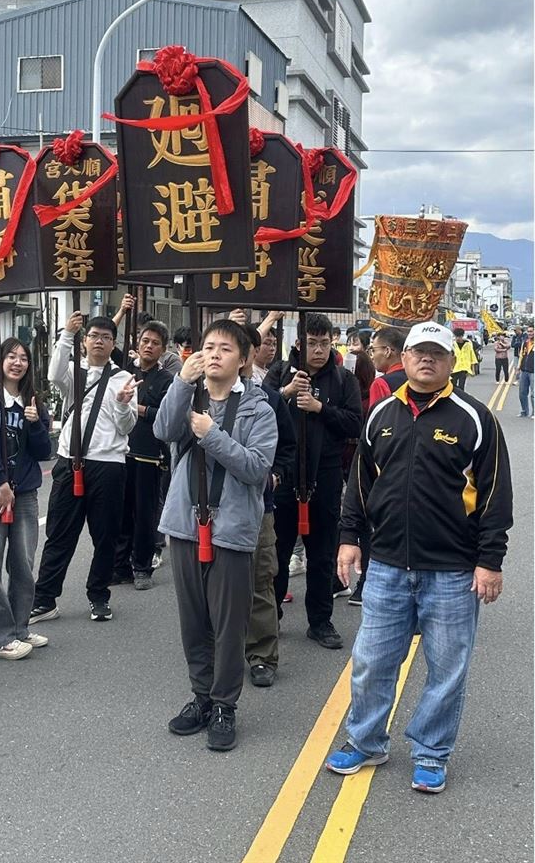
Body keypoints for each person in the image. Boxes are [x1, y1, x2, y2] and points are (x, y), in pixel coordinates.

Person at [326, 321, 513, 795]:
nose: (427, 359)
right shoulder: (381, 413)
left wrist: (490, 561)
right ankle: (366, 741)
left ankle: (431, 752)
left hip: (452, 570)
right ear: (404, 358)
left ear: (451, 361)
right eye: (419, 352)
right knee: (371, 662)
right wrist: (349, 537)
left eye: (437, 353)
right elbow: (360, 483)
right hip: (387, 564)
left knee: (446, 670)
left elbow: (495, 495)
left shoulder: (474, 418)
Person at [155, 319, 277, 751]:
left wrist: (212, 435)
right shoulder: (190, 395)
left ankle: (225, 704)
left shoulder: (259, 409)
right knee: (193, 620)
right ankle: (201, 696)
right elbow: (163, 431)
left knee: (228, 624)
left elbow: (256, 468)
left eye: (225, 348)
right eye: (208, 347)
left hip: (231, 529)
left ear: (243, 360)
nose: (214, 355)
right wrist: (180, 384)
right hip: (185, 525)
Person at [31, 313, 138, 624]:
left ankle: (99, 595)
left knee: (105, 536)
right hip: (69, 461)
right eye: (93, 336)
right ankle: (45, 599)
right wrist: (67, 333)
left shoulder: (123, 379)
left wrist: (122, 403)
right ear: (85, 341)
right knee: (59, 534)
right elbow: (53, 374)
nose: (99, 341)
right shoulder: (73, 373)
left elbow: (127, 426)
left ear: (113, 344)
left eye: (106, 337)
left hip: (109, 465)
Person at [268, 313, 362, 649]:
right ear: (299, 343)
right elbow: (258, 411)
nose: (319, 350)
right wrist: (286, 393)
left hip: (325, 475)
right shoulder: (280, 372)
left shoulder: (344, 379)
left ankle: (320, 621)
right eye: (312, 343)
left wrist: (321, 408)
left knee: (322, 555)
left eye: (324, 343)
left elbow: (355, 423)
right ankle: (270, 617)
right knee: (277, 553)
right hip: (284, 475)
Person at [0, 337, 52, 660]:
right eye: (11, 356)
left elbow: (43, 451)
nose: (17, 363)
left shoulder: (33, 401)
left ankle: (19, 628)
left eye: (23, 358)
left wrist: (35, 423)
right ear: (0, 360)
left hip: (25, 492)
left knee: (23, 565)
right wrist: (0, 482)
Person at [237, 323, 296, 688]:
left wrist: (276, 474)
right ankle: (219, 650)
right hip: (212, 510)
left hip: (259, 506)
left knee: (260, 580)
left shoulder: (269, 399)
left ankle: (262, 654)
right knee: (216, 585)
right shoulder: (200, 397)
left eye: (237, 348)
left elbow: (287, 447)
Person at [113, 321, 174, 590]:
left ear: (163, 349)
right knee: (120, 512)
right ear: (137, 343)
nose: (149, 346)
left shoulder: (166, 379)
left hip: (149, 455)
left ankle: (142, 567)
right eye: (145, 341)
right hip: (120, 451)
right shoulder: (124, 371)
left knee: (145, 514)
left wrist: (135, 408)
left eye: (155, 343)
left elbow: (165, 415)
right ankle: (120, 567)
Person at [368, 327, 407, 408]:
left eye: (373, 350)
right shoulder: (416, 379)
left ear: (387, 351)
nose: (372, 356)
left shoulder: (380, 384)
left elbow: (377, 415)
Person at [518, 327, 534, 417]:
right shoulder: (525, 342)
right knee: (522, 393)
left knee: (533, 394)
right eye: (528, 332)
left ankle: (534, 412)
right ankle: (524, 411)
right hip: (524, 370)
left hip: (533, 372)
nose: (529, 333)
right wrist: (518, 367)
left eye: (531, 331)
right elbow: (521, 355)